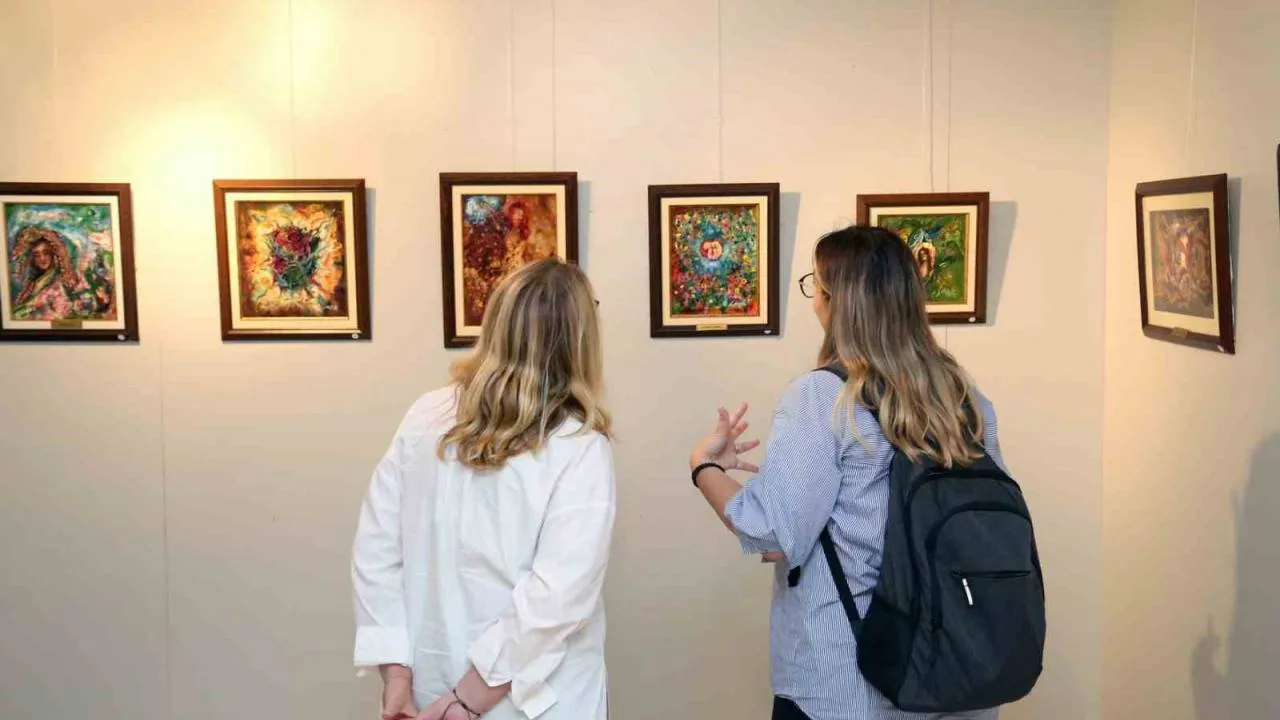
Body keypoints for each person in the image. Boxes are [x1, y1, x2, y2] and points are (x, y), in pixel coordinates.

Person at [687, 225, 1005, 720]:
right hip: (954, 672)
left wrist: (704, 467)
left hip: (848, 681)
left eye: (815, 286)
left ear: (837, 302)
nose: (814, 300)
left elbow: (773, 534)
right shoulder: (965, 400)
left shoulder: (824, 398)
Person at [352, 258, 615, 720]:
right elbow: (557, 597)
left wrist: (397, 677)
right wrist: (464, 702)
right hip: (527, 701)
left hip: (429, 690)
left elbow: (375, 551)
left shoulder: (425, 416)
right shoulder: (579, 444)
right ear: (580, 339)